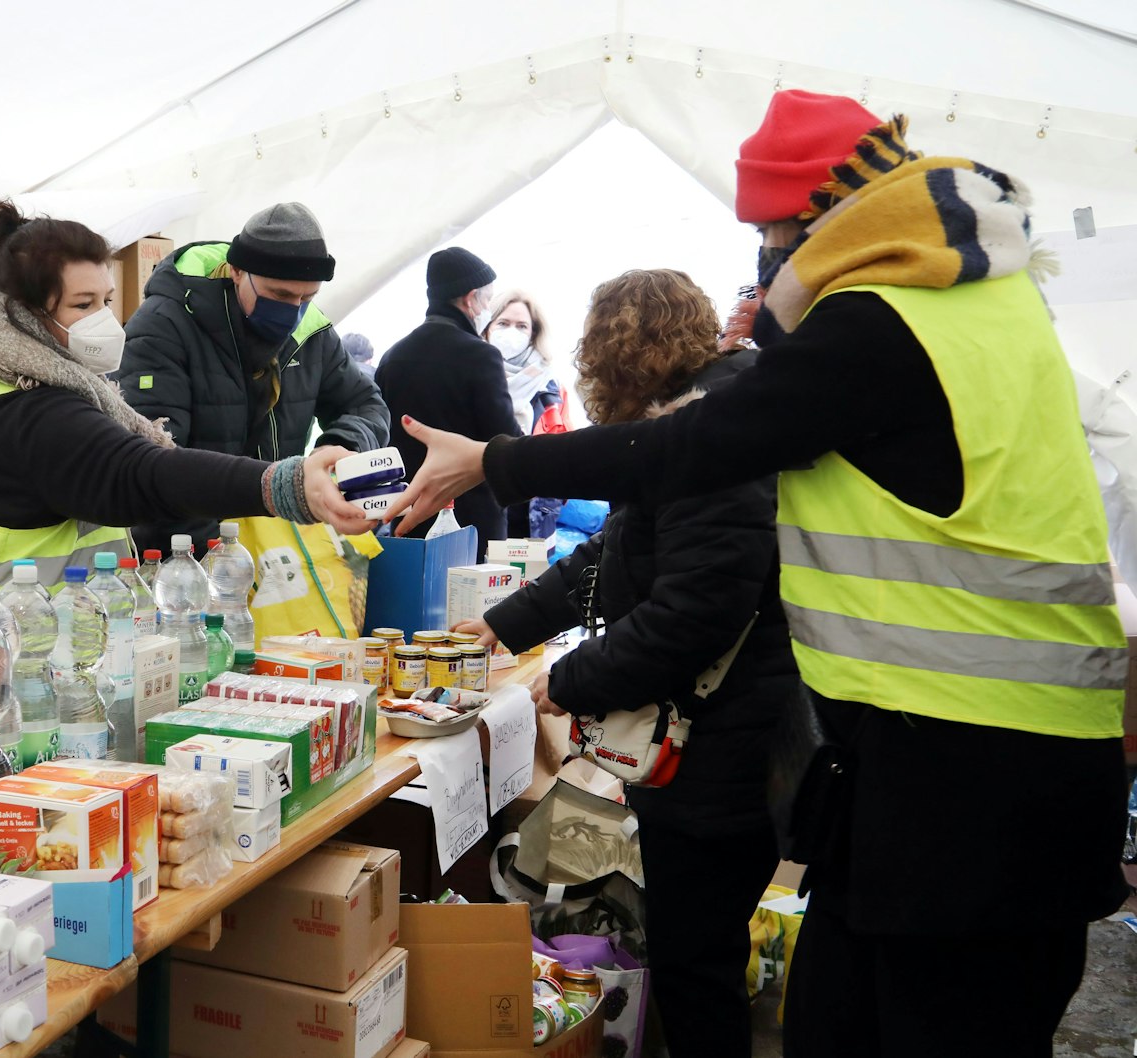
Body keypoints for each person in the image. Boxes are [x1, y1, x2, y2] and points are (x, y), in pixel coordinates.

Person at [392, 91, 1129, 1057]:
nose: (772, 263)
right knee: (829, 1020)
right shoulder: (979, 302)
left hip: (975, 789)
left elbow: (687, 455)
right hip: (933, 767)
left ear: (828, 221)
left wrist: (492, 461)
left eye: (776, 235)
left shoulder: (886, 320)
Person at [457, 269, 792, 1058]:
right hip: (719, 737)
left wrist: (571, 680)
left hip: (726, 745)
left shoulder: (711, 444)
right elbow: (609, 558)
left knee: (695, 958)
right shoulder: (691, 426)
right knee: (691, 946)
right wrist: (506, 624)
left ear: (613, 355)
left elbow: (693, 613)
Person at [0, 201, 370, 639]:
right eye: (81, 304)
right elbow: (141, 474)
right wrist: (287, 484)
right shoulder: (29, 409)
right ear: (24, 311)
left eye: (107, 300)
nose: (103, 319)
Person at [117, 202, 388, 553]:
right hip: (186, 553)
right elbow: (157, 456)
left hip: (278, 551)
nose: (294, 311)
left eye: (308, 297)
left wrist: (337, 454)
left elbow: (366, 404)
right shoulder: (166, 325)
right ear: (236, 271)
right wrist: (216, 554)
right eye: (280, 295)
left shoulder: (312, 332)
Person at [374, 247, 523, 558]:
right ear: (470, 299)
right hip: (474, 522)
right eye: (487, 299)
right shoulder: (480, 355)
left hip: (409, 514)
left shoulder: (393, 356)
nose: (488, 310)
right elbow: (506, 440)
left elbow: (382, 436)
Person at [484, 289, 570, 537]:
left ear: (534, 333)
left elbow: (565, 442)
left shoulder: (551, 388)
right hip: (481, 511)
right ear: (488, 327)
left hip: (533, 519)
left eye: (522, 326)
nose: (512, 332)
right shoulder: (471, 377)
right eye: (503, 323)